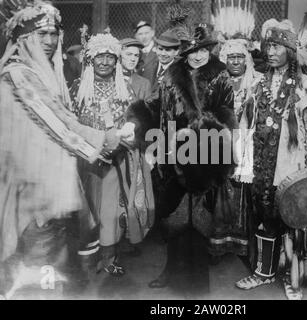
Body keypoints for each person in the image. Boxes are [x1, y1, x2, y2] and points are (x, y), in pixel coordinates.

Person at [0, 1, 134, 297]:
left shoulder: (44, 72)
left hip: (50, 184)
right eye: (41, 34)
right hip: (31, 193)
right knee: (37, 264)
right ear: (22, 39)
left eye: (54, 34)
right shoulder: (18, 74)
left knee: (52, 261)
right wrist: (109, 139)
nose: (49, 41)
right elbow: (57, 124)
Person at [126, 24, 237, 294]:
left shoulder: (220, 75)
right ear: (184, 52)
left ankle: (197, 282)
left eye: (202, 51)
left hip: (206, 157)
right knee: (173, 216)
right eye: (192, 51)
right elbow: (155, 106)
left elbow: (227, 115)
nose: (198, 56)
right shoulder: (171, 76)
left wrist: (211, 138)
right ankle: (171, 271)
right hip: (171, 152)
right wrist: (137, 118)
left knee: (199, 219)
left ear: (209, 50)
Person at [235, 19, 307, 300]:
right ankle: (264, 272)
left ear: (290, 50)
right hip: (262, 165)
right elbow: (245, 128)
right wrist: (244, 163)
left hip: (292, 166)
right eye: (268, 47)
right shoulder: (257, 83)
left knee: (293, 220)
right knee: (264, 215)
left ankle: (292, 277)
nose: (271, 52)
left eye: (277, 47)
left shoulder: (305, 86)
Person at [70, 33, 155, 277]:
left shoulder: (125, 87)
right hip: (86, 159)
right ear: (91, 60)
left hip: (117, 159)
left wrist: (130, 128)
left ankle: (109, 257)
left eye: (110, 57)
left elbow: (137, 117)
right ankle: (87, 258)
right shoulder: (77, 87)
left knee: (110, 210)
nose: (105, 62)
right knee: (87, 210)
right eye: (100, 57)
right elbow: (70, 120)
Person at [209, 38, 261, 263]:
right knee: (222, 193)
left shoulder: (257, 82)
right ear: (224, 59)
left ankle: (243, 246)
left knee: (245, 195)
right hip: (223, 144)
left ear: (247, 59)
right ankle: (220, 245)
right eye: (231, 57)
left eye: (240, 57)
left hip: (248, 145)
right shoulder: (217, 81)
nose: (236, 61)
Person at [149, 30, 181, 97]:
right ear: (156, 49)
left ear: (176, 52)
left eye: (168, 50)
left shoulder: (179, 72)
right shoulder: (148, 67)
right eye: (160, 49)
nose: (163, 54)